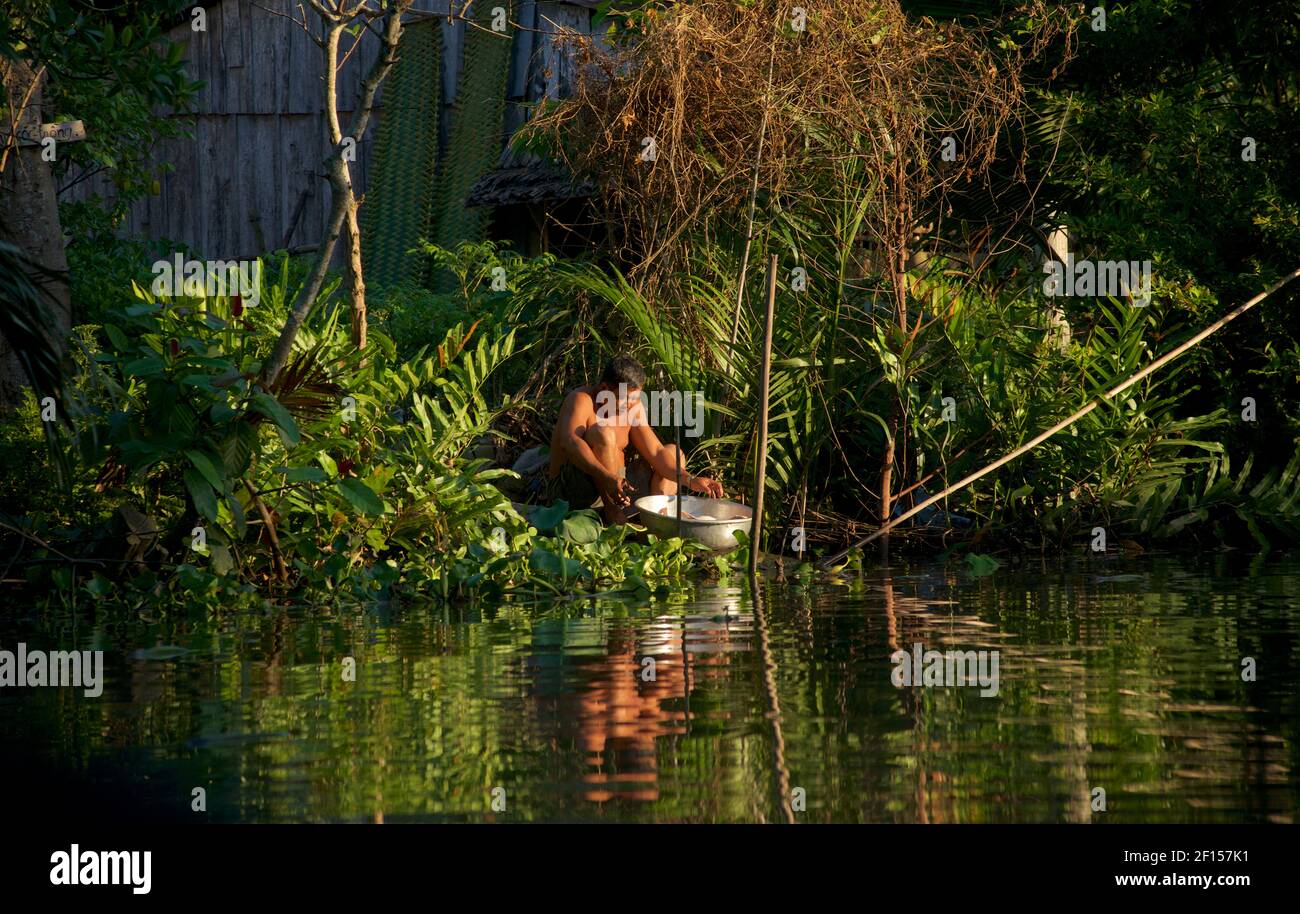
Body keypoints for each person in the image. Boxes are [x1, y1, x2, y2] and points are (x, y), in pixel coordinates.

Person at [531, 356, 724, 524]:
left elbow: (656, 452)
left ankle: (658, 521)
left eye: (635, 399)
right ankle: (614, 515)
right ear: (605, 388)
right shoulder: (581, 399)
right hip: (574, 491)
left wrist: (690, 480)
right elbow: (570, 442)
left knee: (674, 453)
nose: (631, 405)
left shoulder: (633, 407)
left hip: (620, 486)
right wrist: (607, 478)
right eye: (626, 399)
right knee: (603, 433)